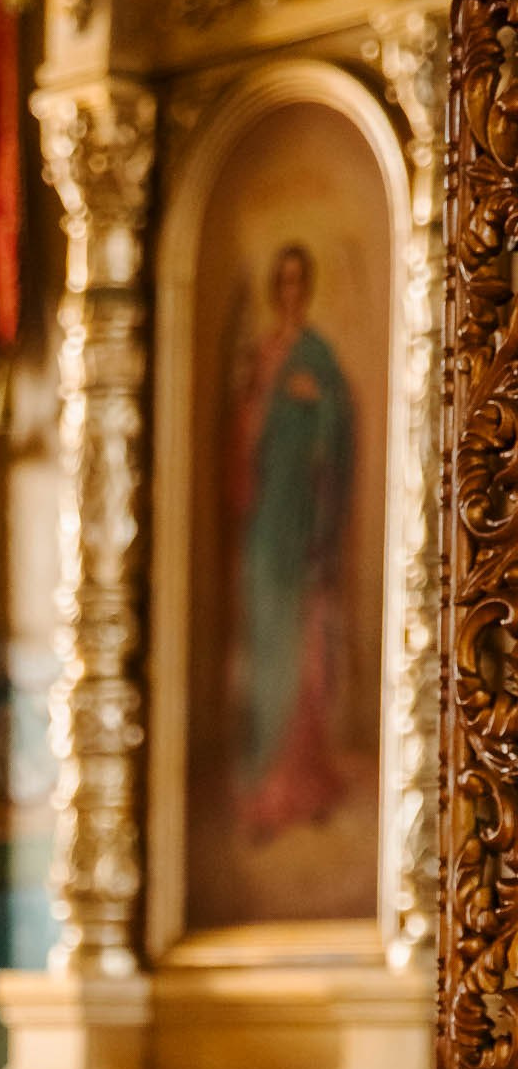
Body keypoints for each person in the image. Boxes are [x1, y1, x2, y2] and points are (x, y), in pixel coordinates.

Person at [227, 240, 355, 842]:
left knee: (303, 648)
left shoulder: (316, 355)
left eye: (299, 282)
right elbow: (244, 435)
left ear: (308, 287)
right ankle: (263, 787)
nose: (290, 292)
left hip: (302, 520)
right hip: (264, 523)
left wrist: (321, 407)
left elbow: (339, 426)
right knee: (266, 643)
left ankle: (302, 786)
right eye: (282, 282)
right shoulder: (264, 355)